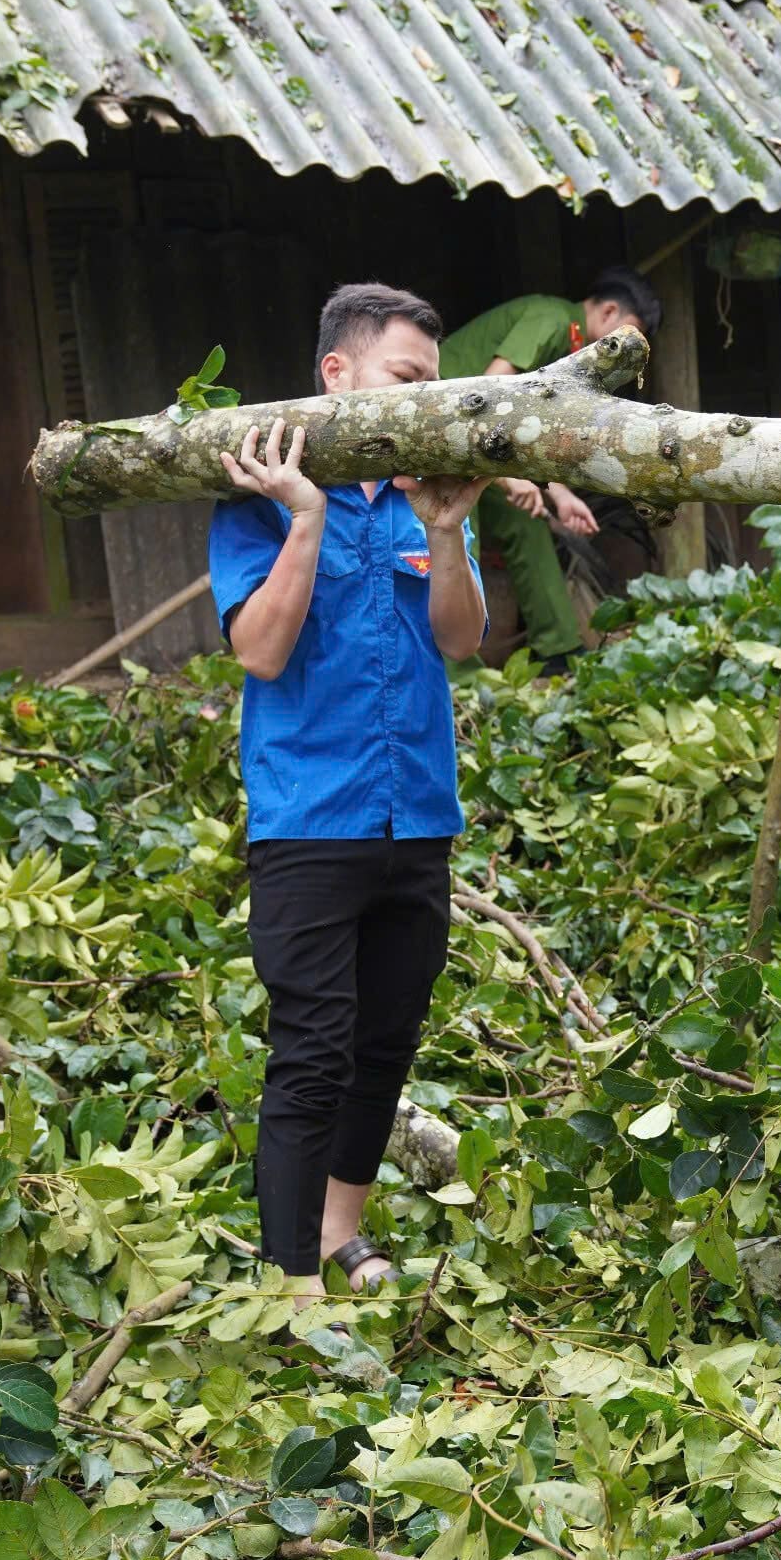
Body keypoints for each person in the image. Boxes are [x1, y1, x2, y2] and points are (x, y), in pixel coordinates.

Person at [207, 283, 490, 1305]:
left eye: (433, 384)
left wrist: (450, 534)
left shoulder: (424, 497)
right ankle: (286, 1287)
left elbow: (459, 640)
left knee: (383, 1045)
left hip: (415, 814)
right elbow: (261, 649)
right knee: (312, 1052)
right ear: (339, 376)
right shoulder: (255, 496)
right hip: (308, 821)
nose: (424, 400)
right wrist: (306, 521)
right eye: (407, 380)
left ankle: (339, 1235)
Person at [438, 267, 662, 669]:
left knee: (525, 520)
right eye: (628, 335)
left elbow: (525, 425)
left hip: (480, 443)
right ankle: (460, 676)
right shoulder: (551, 318)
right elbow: (488, 392)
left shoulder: (571, 349)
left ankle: (558, 649)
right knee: (457, 530)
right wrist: (510, 477)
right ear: (609, 312)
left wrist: (559, 496)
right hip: (443, 428)